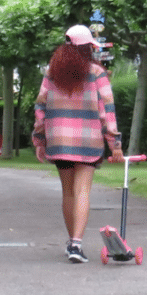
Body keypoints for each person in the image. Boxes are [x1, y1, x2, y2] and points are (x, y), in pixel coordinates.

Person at [32, 25, 125, 263]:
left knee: (68, 192)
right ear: (87, 48)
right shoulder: (96, 72)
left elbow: (40, 107)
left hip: (59, 140)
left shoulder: (52, 72)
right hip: (88, 140)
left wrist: (39, 139)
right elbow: (107, 110)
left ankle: (71, 243)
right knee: (82, 191)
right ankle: (76, 243)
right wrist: (115, 143)